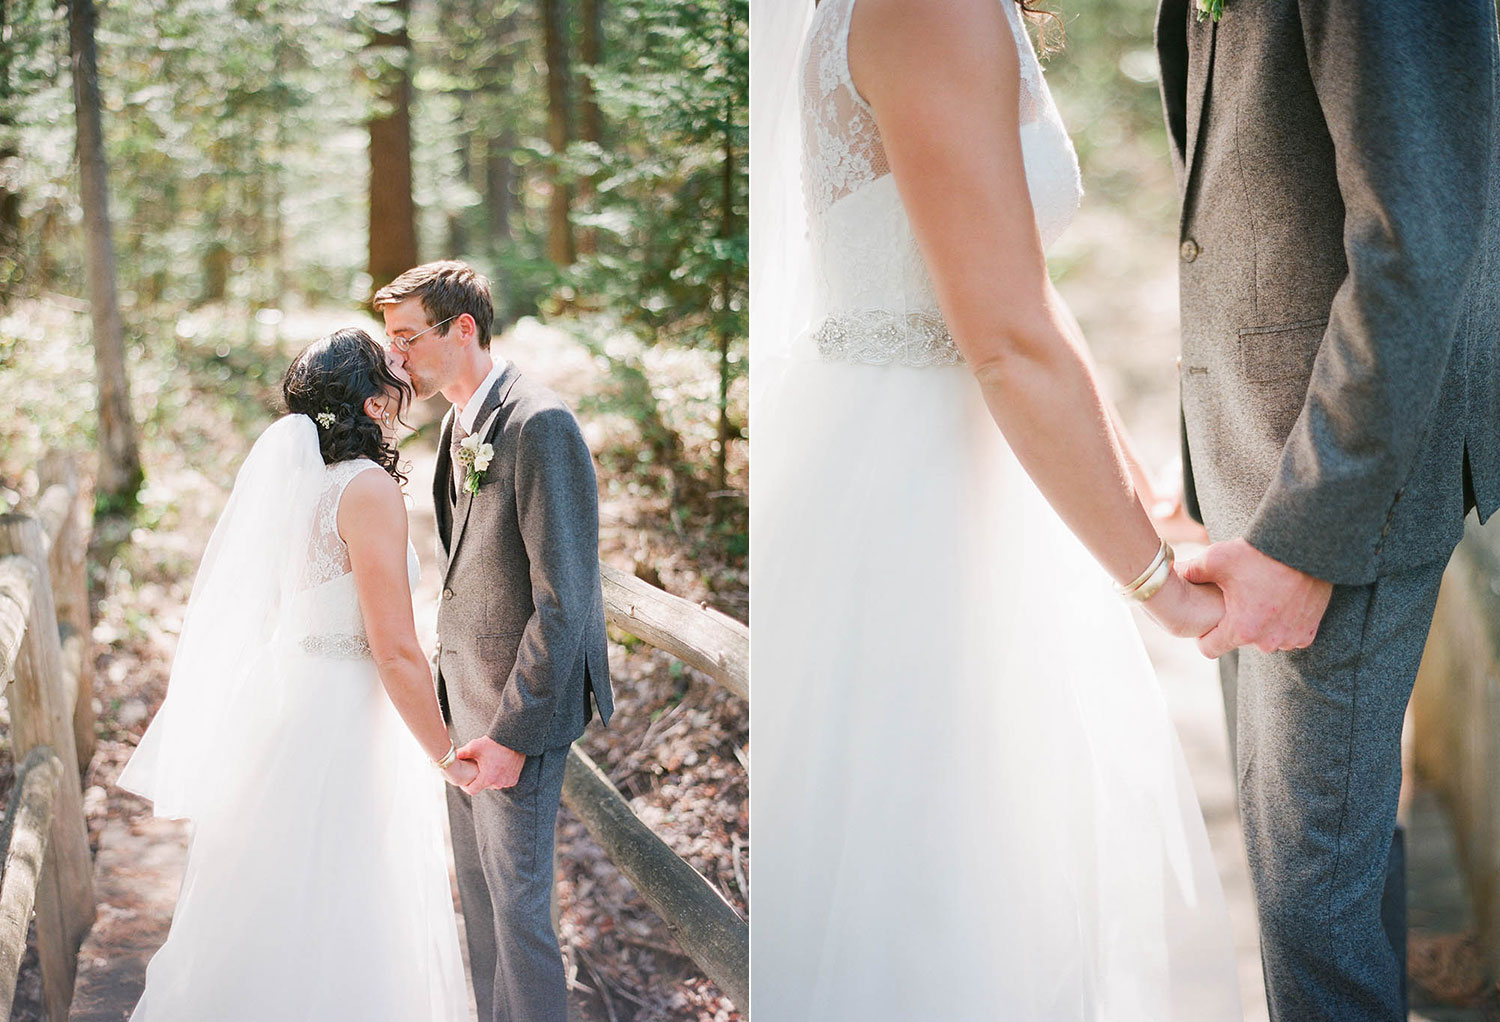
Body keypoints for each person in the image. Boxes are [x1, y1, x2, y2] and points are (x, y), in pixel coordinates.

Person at [750, 0, 1240, 1017]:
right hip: (921, 497)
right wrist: (1157, 588)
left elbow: (1030, 295)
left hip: (962, 461)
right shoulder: (930, 9)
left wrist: (1151, 506)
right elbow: (1007, 337)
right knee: (945, 876)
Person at [1157, 2, 1500, 1018]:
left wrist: (1309, 532)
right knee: (1316, 873)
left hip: (1335, 480)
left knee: (1312, 908)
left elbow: (1421, 234)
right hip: (1259, 456)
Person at [119, 328, 471, 1019]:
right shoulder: (367, 489)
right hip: (343, 718)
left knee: (276, 892)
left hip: (288, 700)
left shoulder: (302, 489)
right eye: (391, 369)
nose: (405, 373)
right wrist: (448, 755)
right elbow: (395, 648)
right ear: (373, 406)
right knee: (345, 894)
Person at [374, 260, 613, 1022]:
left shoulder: (540, 423)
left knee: (519, 920)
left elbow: (565, 599)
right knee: (480, 915)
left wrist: (512, 734)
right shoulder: (456, 423)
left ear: (464, 328)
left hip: (517, 719)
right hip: (462, 710)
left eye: (408, 338)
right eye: (392, 340)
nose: (397, 358)